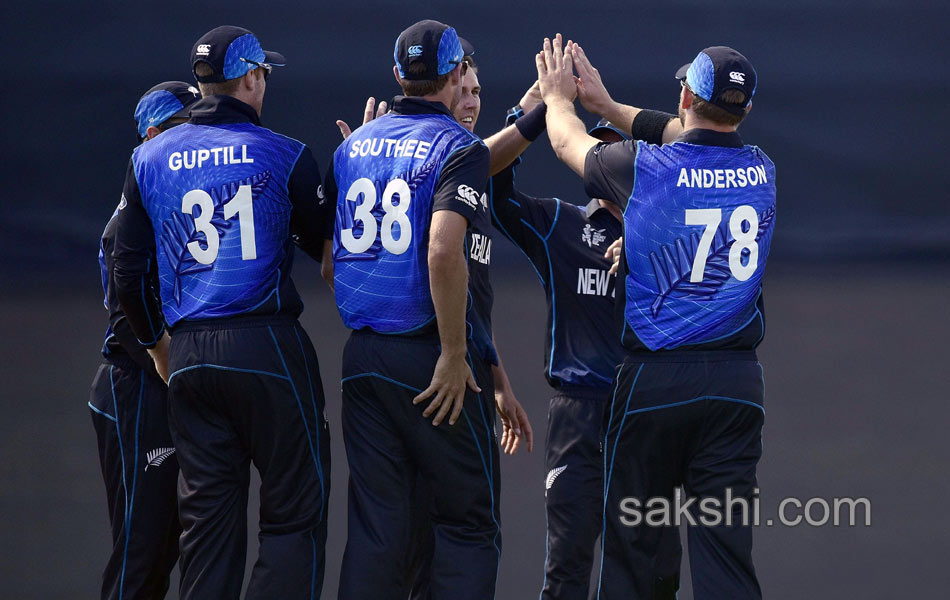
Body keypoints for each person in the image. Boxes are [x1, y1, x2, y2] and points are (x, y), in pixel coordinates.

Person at [538, 36, 775, 599]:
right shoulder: (762, 169)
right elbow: (696, 135)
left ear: (687, 94)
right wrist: (611, 106)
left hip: (656, 382)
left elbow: (568, 144)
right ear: (747, 109)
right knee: (726, 558)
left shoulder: (643, 167)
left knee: (635, 554)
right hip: (737, 384)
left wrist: (559, 100)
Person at [112, 25, 332, 599]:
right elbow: (329, 250)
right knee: (292, 518)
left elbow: (127, 275)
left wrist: (160, 348)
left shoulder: (148, 158)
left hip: (188, 355)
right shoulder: (285, 153)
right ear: (253, 77)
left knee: (207, 529)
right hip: (268, 345)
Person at [326, 20, 503, 599]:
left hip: (363, 358)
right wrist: (454, 354)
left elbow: (331, 264)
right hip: (429, 357)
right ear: (455, 75)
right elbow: (443, 249)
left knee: (378, 529)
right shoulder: (459, 146)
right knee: (467, 524)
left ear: (399, 75)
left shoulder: (353, 146)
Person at [89, 80, 199, 600]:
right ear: (153, 135)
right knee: (143, 548)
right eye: (185, 125)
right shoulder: (132, 219)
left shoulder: (162, 203)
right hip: (137, 386)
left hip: (155, 383)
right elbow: (130, 320)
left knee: (163, 548)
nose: (197, 136)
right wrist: (174, 361)